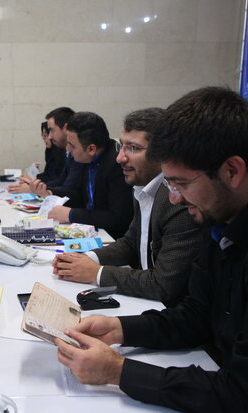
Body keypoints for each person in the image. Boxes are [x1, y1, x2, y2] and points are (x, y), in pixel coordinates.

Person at [54, 87, 248, 412]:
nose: (173, 198)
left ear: (232, 171)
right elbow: (197, 314)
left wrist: (118, 371)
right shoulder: (223, 212)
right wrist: (120, 329)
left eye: (180, 184)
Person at [52, 108, 202, 307]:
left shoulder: (178, 201)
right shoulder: (141, 186)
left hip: (171, 313)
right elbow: (131, 242)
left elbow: (164, 285)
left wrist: (96, 273)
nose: (120, 158)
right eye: (122, 146)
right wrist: (86, 258)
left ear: (163, 153)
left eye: (133, 148)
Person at [44, 111, 133, 239]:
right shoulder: (87, 158)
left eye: (72, 145)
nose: (67, 149)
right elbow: (81, 196)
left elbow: (118, 218)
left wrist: (71, 214)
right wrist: (50, 192)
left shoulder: (116, 165)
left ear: (91, 149)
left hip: (111, 238)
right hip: (92, 230)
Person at [8, 107, 83, 194]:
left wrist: (36, 189)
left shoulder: (79, 154)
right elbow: (61, 180)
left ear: (66, 128)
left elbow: (69, 189)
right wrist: (36, 186)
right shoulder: (66, 152)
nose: (49, 137)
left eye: (51, 130)